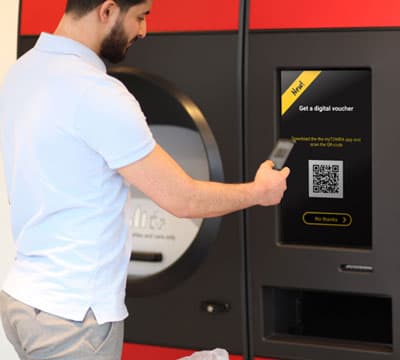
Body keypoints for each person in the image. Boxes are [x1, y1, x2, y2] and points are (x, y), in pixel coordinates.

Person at [0, 1, 290, 359]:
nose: (143, 31)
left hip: (24, 299)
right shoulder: (95, 91)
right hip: (73, 313)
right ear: (106, 10)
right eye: (140, 16)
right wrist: (259, 192)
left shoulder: (23, 71)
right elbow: (183, 199)